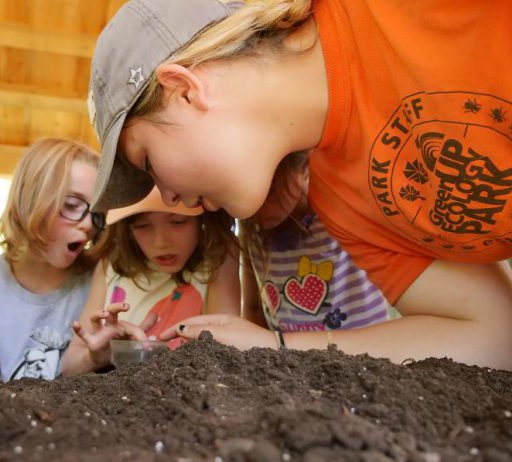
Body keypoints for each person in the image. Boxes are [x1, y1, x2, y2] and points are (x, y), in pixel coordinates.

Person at [85, 0, 512, 369]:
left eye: (148, 163)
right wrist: (275, 346)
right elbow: (495, 336)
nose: (172, 198)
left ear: (184, 89)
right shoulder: (344, 206)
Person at [0, 137, 104, 383]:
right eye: (72, 205)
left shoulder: (99, 282)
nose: (87, 224)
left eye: (97, 213)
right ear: (31, 198)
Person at [61, 186, 239, 375]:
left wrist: (152, 355)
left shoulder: (218, 261)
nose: (160, 242)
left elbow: (223, 355)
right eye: (142, 226)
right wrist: (98, 356)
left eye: (178, 222)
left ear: (202, 219)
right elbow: (69, 367)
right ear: (127, 228)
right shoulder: (110, 266)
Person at [241, 157, 393, 334]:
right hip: (289, 358)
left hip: (365, 351)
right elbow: (252, 307)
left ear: (304, 168)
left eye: (272, 190)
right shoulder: (250, 230)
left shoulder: (339, 209)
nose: (259, 206)